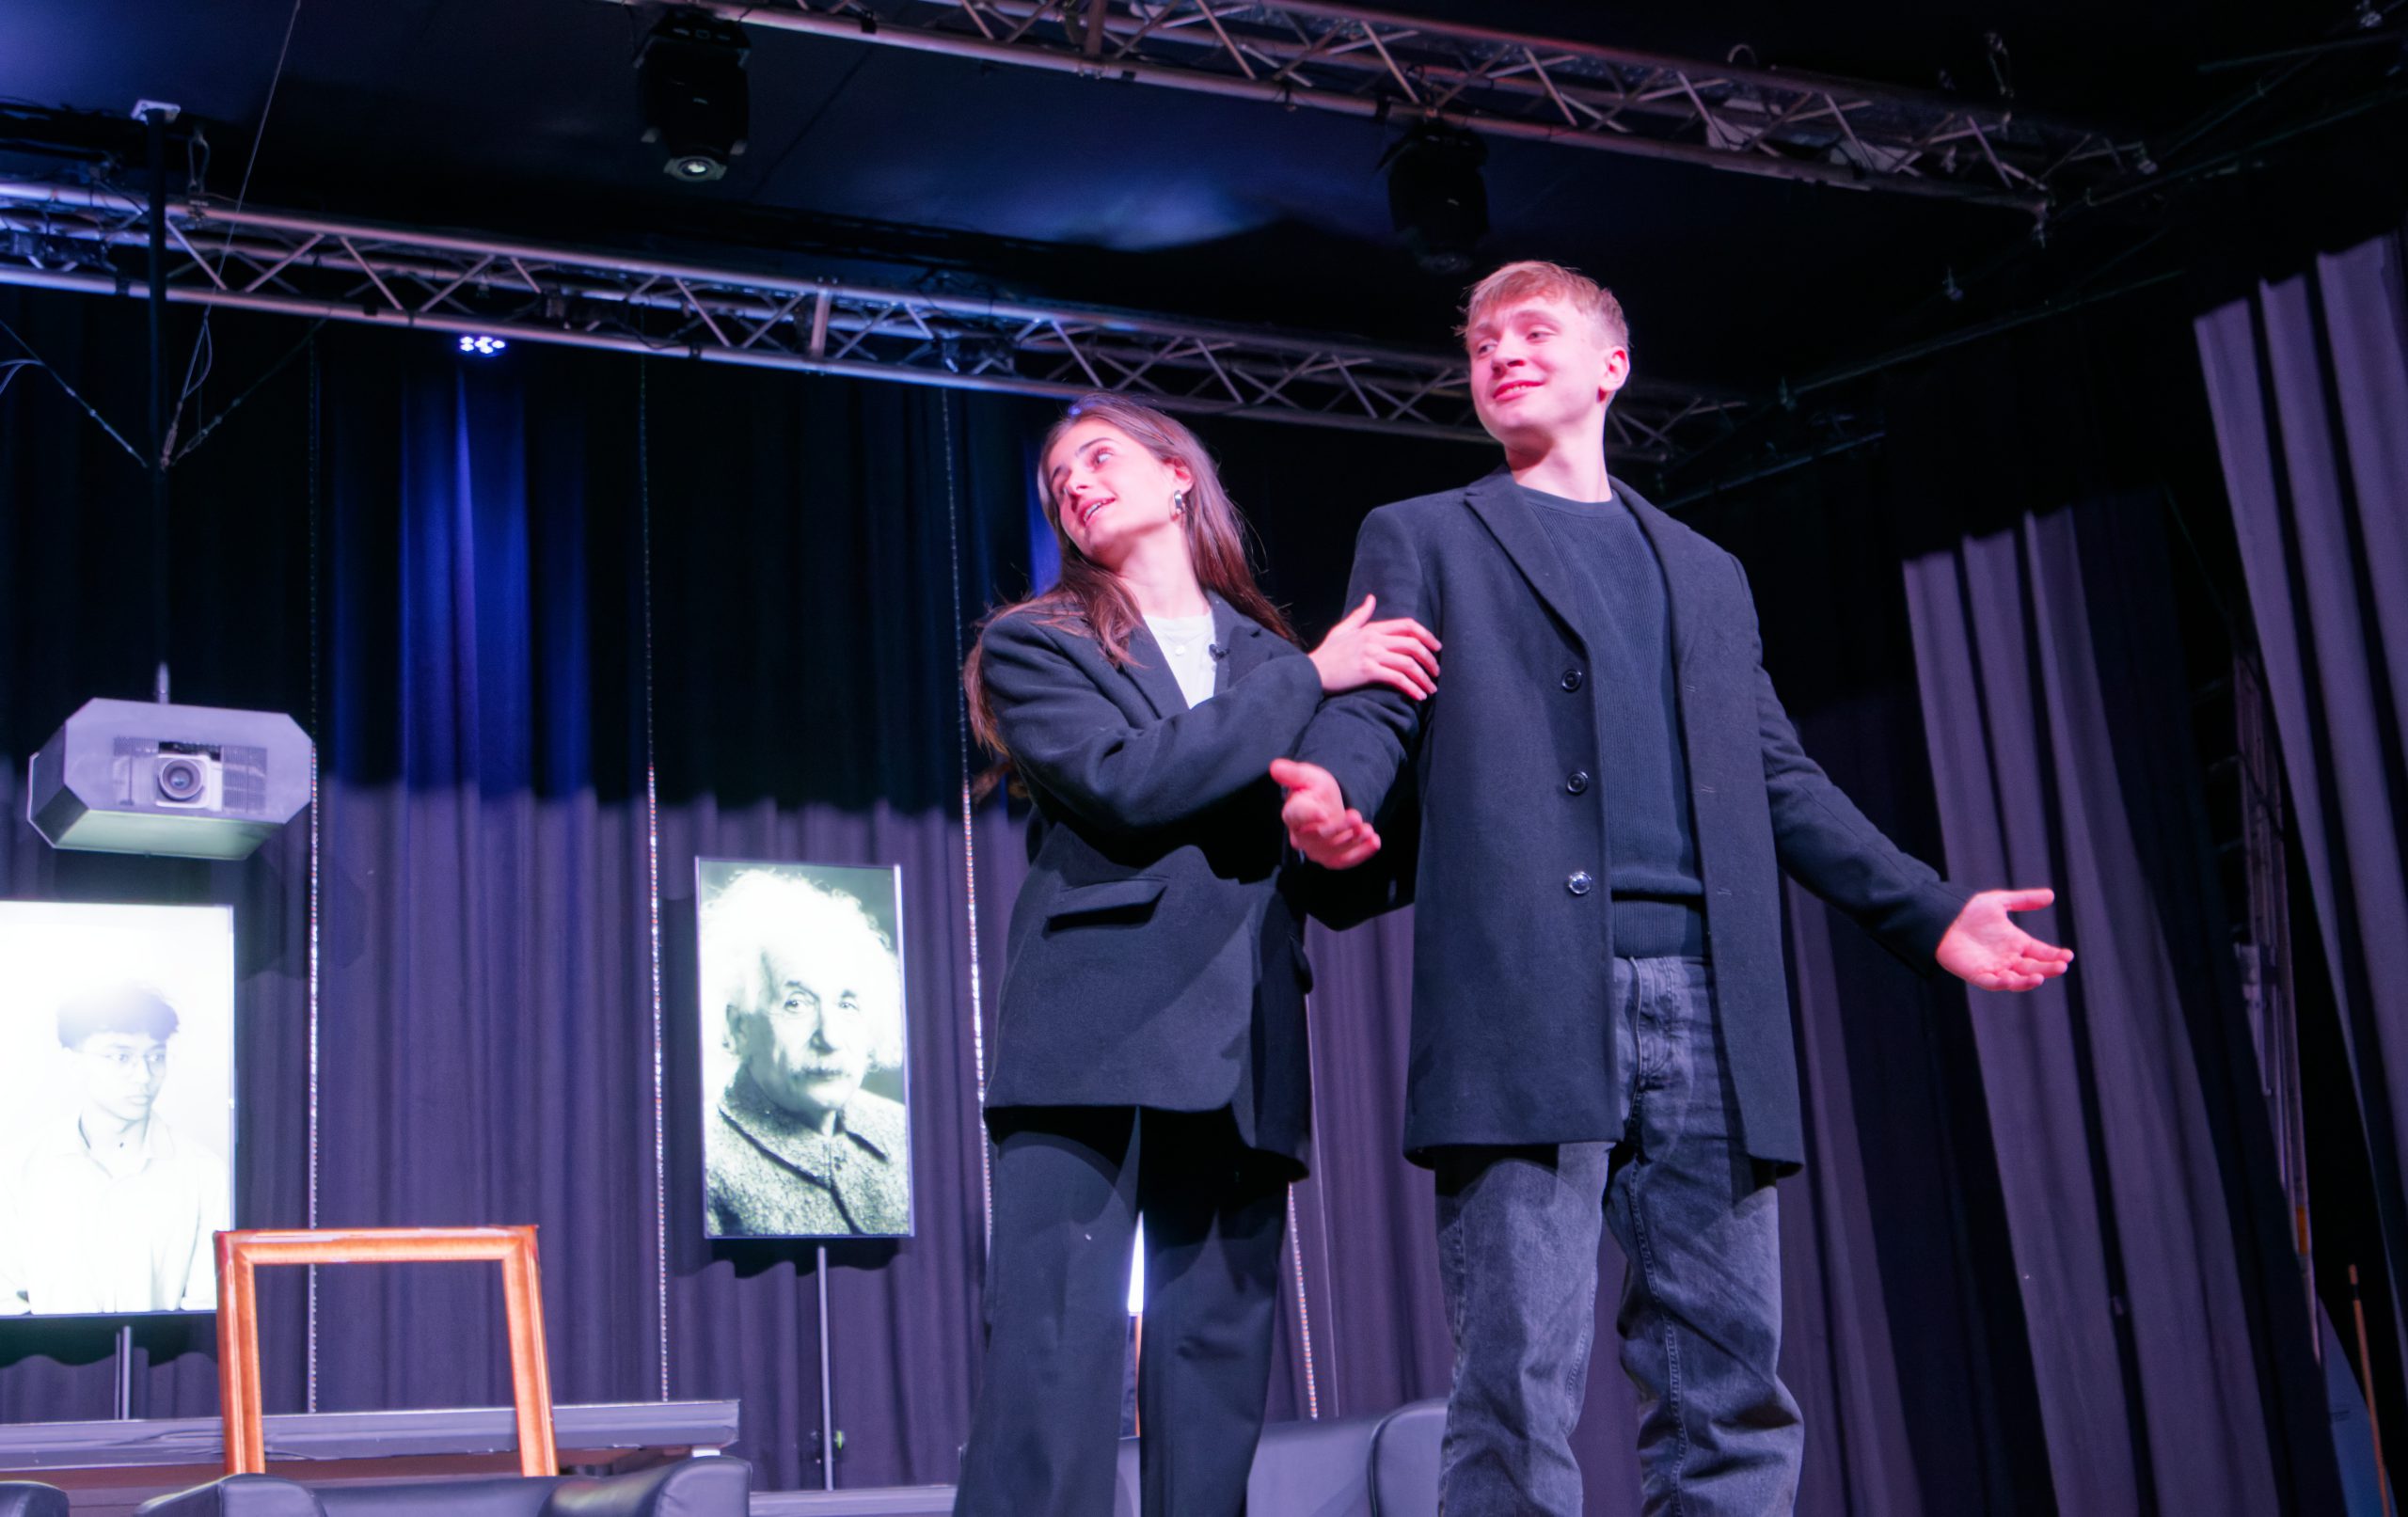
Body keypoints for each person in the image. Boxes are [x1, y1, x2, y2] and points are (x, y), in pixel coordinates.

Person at [1273, 261, 2073, 1516]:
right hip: (1527, 997)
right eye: (1481, 343)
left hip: (1708, 1002)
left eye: (1532, 332)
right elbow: (1378, 700)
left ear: (1612, 366)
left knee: (1729, 1387)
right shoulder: (1423, 532)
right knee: (1515, 1387)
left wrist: (1926, 909)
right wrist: (1333, 799)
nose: (1501, 355)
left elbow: (1777, 774)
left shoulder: (1705, 570)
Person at [952, 393, 1439, 1516]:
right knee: (1049, 1366)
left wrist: (1342, 833)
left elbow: (1333, 869)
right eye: (1058, 481)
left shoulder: (1272, 654)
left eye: (1098, 456)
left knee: (1215, 1372)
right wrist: (1312, 677)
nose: (1075, 484)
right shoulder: (1037, 641)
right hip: (1088, 1034)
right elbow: (1130, 781)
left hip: (1241, 1039)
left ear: (1179, 475)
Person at [703, 868, 911, 1238]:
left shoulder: (899, 1129)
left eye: (846, 1005)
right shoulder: (705, 1159)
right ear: (739, 1027)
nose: (830, 1038)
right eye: (796, 1003)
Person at [0, 985, 230, 1315]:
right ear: (73, 1062)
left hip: (159, 1349)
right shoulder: (17, 1169)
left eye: (156, 1057)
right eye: (121, 1058)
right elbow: (6, 1304)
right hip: (46, 1350)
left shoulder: (203, 1172)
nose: (143, 1076)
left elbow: (207, 1308)